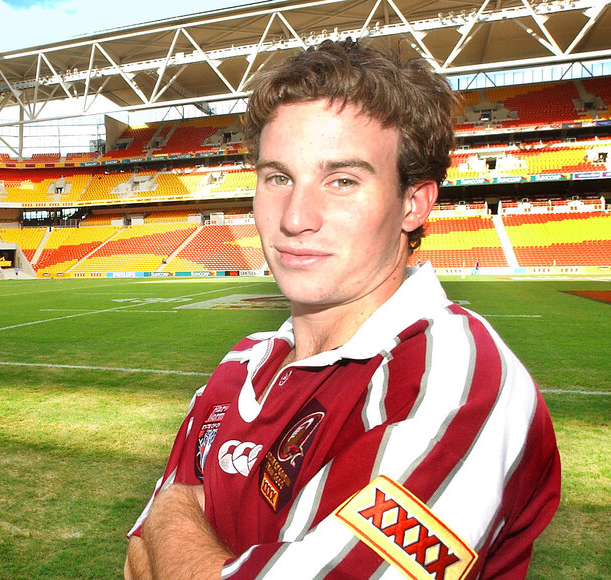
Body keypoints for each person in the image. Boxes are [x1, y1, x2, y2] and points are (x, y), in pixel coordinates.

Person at [125, 39, 560, 580]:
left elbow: (161, 525)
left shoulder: (453, 383)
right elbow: (137, 558)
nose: (296, 217)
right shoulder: (241, 365)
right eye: (278, 177)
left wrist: (176, 509)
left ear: (413, 202)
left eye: (342, 181)